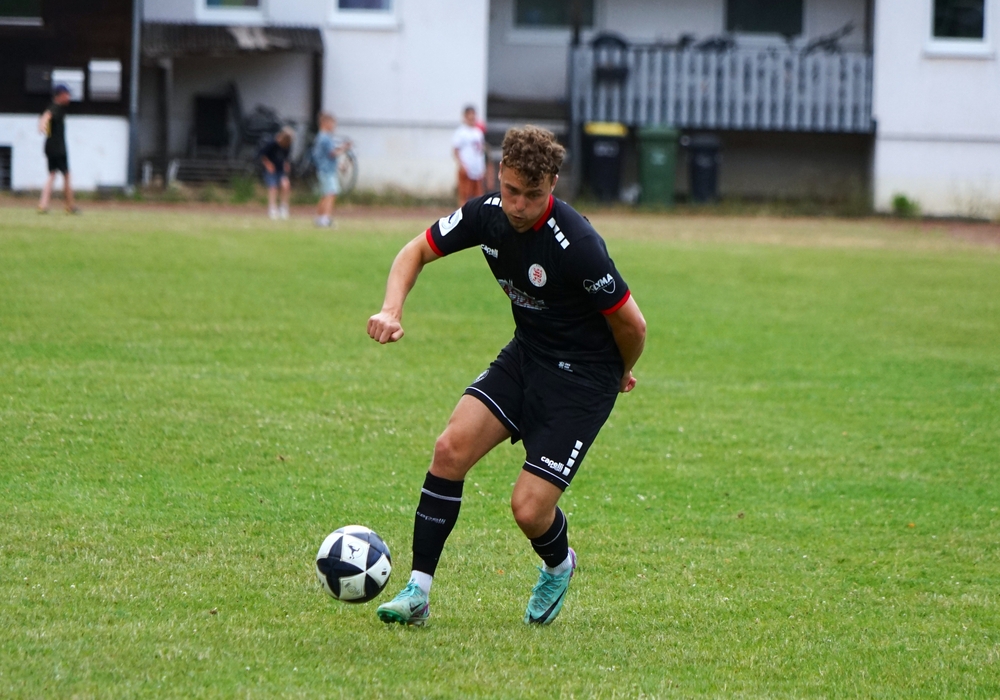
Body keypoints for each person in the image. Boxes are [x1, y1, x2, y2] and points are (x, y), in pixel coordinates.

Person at [367, 125, 646, 627]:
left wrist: (621, 370)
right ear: (500, 174)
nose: (518, 205)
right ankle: (418, 593)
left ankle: (559, 566)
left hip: (583, 379)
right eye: (511, 190)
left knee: (528, 510)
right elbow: (415, 251)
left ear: (553, 184)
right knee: (449, 449)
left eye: (532, 195)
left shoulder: (577, 243)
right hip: (527, 355)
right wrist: (391, 309)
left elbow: (633, 324)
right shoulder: (486, 214)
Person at [37, 84, 79, 215]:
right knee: (67, 175)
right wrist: (42, 125)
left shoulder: (52, 107)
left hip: (50, 146)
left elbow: (45, 115)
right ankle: (70, 206)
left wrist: (42, 124)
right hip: (58, 148)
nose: (69, 97)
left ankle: (43, 204)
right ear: (60, 96)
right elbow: (47, 116)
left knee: (52, 174)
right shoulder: (56, 107)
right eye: (67, 94)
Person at [312, 112, 351, 228]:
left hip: (323, 169)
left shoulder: (320, 137)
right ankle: (326, 218)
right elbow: (332, 153)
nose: (334, 127)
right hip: (327, 171)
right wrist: (344, 148)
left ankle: (319, 218)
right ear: (325, 123)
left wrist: (339, 165)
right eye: (332, 124)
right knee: (331, 193)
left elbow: (324, 156)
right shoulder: (326, 138)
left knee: (325, 194)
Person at [452, 105, 486, 207]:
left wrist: (482, 167)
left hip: (477, 169)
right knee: (464, 195)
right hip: (466, 168)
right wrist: (462, 165)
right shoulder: (461, 132)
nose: (472, 117)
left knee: (478, 196)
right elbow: (456, 150)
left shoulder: (478, 132)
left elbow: (480, 151)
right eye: (469, 115)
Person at [259, 126, 294, 220]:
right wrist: (268, 164)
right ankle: (272, 208)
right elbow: (261, 154)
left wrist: (286, 164)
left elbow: (286, 157)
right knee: (273, 187)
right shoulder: (272, 144)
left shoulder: (287, 145)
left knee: (286, 185)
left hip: (280, 170)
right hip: (271, 170)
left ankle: (284, 208)